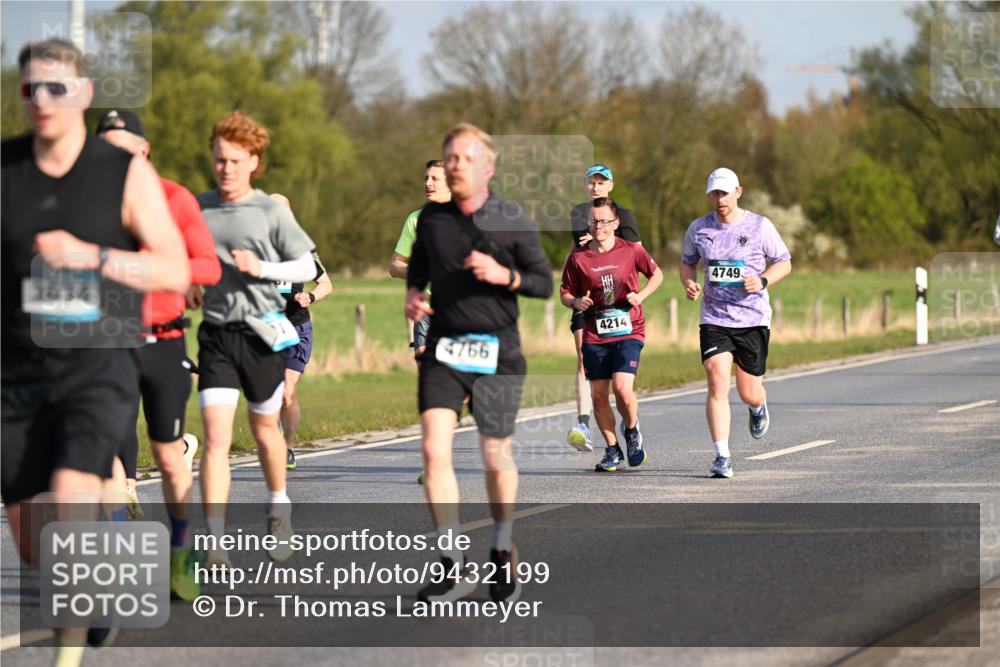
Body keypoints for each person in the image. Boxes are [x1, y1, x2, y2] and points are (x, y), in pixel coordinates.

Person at [1, 39, 189, 663]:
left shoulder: (121, 173)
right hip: (18, 372)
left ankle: (69, 654)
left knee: (74, 489)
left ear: (82, 93)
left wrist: (93, 257)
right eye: (31, 88)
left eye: (56, 87)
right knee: (33, 536)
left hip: (97, 363)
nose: (42, 99)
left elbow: (173, 270)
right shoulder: (6, 169)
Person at [406, 123, 551, 604]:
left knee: (494, 455)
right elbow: (421, 265)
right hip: (445, 349)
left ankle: (500, 546)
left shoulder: (510, 217)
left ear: (486, 166)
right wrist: (413, 295)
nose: (453, 167)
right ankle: (451, 561)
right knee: (432, 451)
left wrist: (502, 274)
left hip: (498, 350)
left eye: (464, 159)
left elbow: (541, 282)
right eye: (449, 158)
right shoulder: (432, 219)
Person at [95, 109, 221, 601]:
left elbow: (208, 265)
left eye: (122, 151)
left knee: (170, 459)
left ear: (144, 151)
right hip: (106, 343)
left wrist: (159, 268)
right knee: (106, 454)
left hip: (164, 341)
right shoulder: (84, 203)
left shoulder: (174, 199)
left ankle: (181, 551)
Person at [196, 110, 320, 565]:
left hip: (264, 333)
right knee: (215, 438)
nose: (225, 168)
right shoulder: (200, 206)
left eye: (234, 160)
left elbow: (307, 268)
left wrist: (262, 268)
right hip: (217, 335)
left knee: (264, 429)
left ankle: (278, 505)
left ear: (253, 161)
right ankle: (213, 542)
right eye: (218, 159)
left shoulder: (270, 210)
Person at [680, 167, 792, 479]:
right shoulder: (699, 229)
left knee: (748, 392)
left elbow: (784, 261)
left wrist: (764, 280)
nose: (720, 199)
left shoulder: (759, 225)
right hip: (714, 318)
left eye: (725, 193)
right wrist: (688, 283)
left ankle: (758, 407)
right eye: (714, 193)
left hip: (752, 318)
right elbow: (687, 263)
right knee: (717, 380)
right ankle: (721, 456)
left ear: (738, 192)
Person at [561, 197, 662, 471]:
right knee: (598, 395)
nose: (599, 226)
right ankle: (612, 449)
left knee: (622, 389)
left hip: (630, 328)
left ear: (616, 223)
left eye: (605, 221)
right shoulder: (578, 257)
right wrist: (574, 302)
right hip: (595, 332)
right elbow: (565, 292)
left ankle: (631, 431)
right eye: (594, 221)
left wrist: (640, 296)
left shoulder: (630, 250)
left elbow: (657, 275)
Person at [564, 164, 641, 453]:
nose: (596, 187)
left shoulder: (625, 216)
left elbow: (637, 253)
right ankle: (583, 423)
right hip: (587, 300)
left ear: (611, 185)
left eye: (601, 182)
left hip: (618, 304)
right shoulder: (578, 214)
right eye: (591, 182)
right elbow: (579, 254)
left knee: (620, 380)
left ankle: (627, 420)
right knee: (584, 359)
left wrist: (607, 240)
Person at [270, 192, 333, 471]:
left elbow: (326, 284)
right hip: (265, 328)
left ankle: (286, 447)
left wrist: (310, 296)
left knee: (287, 391)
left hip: (296, 326)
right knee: (269, 394)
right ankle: (273, 440)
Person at [389, 159, 452, 356]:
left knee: (460, 380)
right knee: (428, 376)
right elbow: (394, 266)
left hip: (460, 310)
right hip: (425, 310)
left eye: (435, 178)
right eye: (426, 178)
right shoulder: (415, 220)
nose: (428, 184)